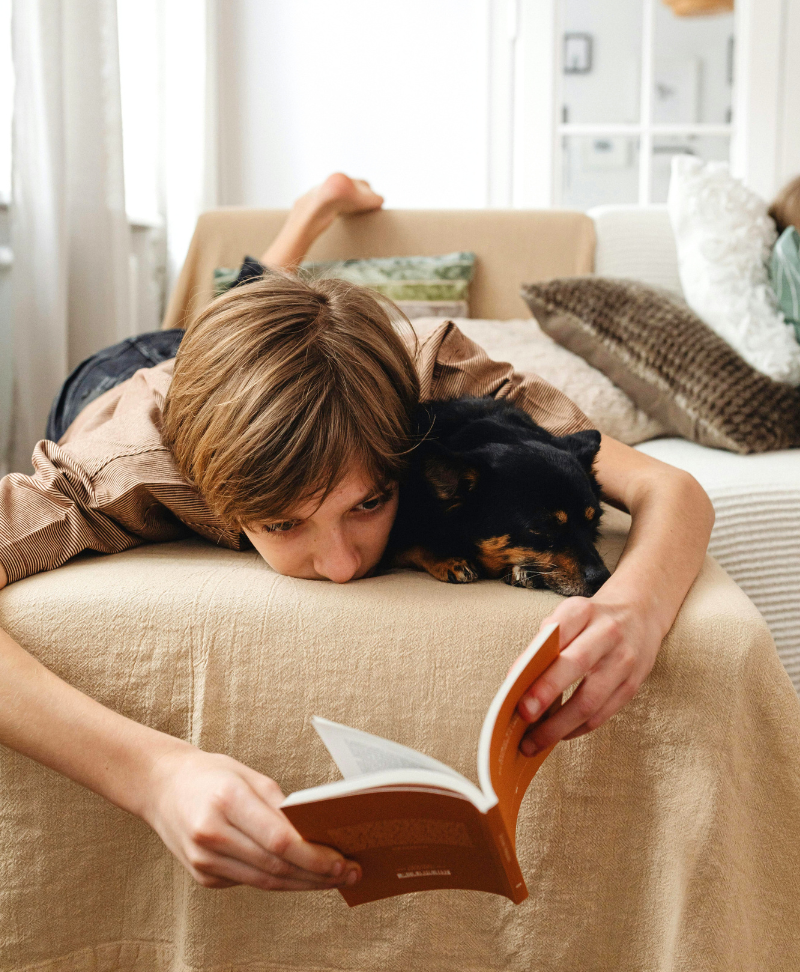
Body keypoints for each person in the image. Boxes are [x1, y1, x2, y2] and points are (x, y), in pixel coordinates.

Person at [0, 172, 714, 895]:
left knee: (258, 312)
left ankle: (292, 246)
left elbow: (669, 486)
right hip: (116, 377)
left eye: (369, 504)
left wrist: (637, 609)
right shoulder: (118, 467)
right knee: (197, 331)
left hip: (285, 355)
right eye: (283, 523)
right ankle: (307, 216)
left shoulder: (433, 376)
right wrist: (153, 776)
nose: (343, 568)